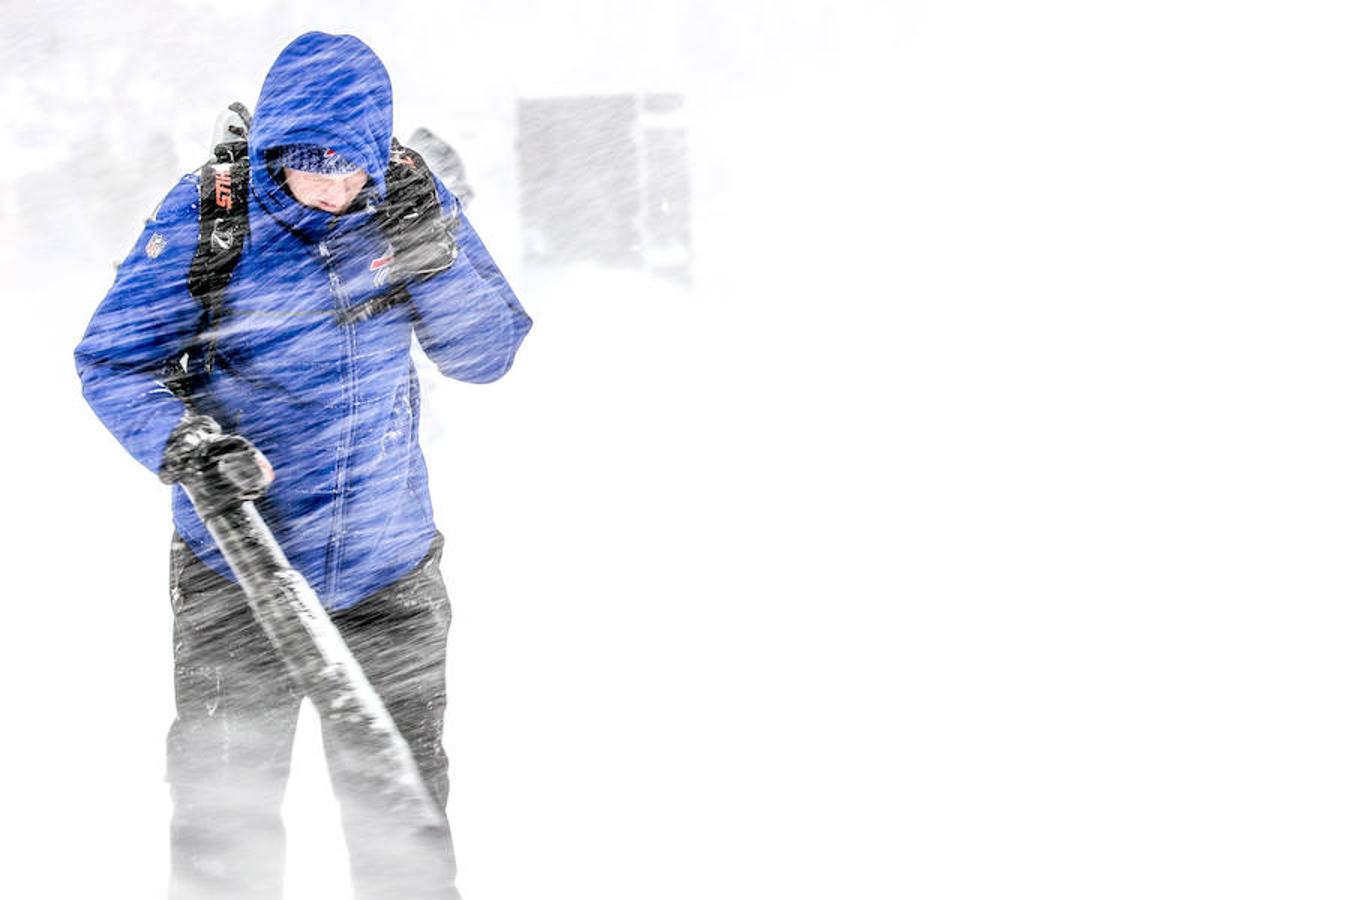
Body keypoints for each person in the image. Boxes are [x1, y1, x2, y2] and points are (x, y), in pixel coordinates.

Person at [74, 31, 530, 900]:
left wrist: (429, 259)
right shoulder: (212, 214)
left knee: (404, 829)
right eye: (304, 162)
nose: (328, 185)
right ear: (273, 147)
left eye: (347, 164)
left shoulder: (410, 201)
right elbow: (111, 360)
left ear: (378, 153)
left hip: (387, 572)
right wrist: (184, 445)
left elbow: (485, 354)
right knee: (224, 827)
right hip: (237, 569)